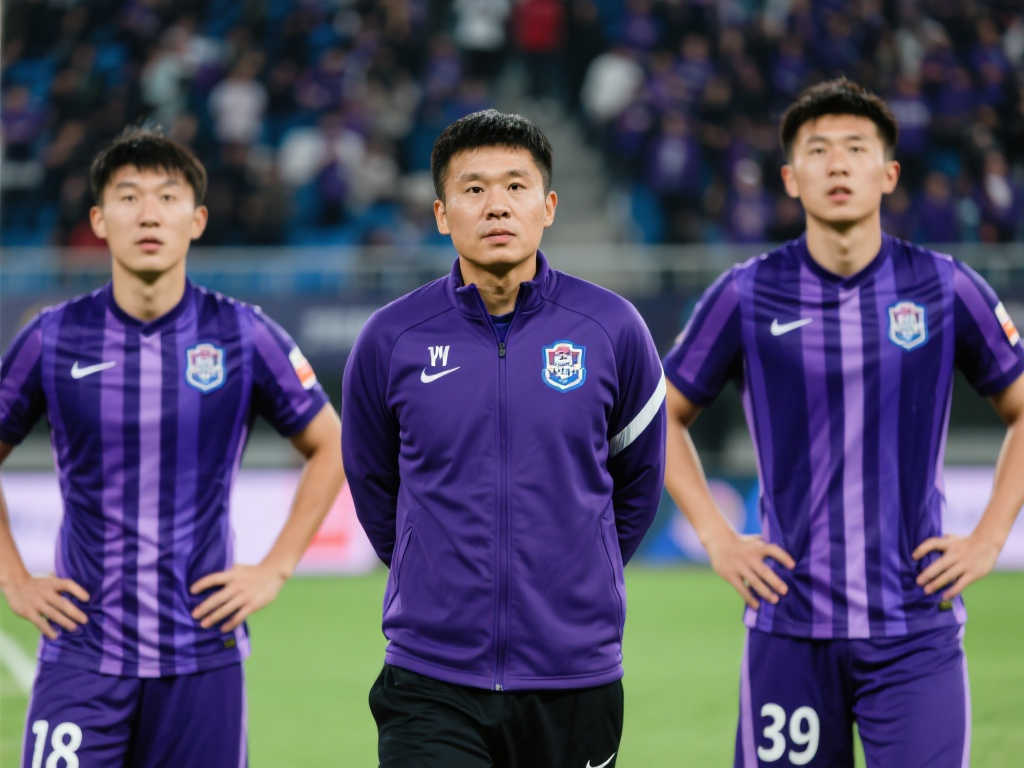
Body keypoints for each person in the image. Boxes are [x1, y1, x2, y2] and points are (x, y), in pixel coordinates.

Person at [662, 76, 1024, 767]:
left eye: (856, 148)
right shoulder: (745, 293)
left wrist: (989, 539)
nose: (837, 164)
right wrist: (716, 537)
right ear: (790, 179)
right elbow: (661, 416)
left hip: (914, 629)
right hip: (789, 628)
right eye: (817, 150)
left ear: (888, 174)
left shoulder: (946, 287)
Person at [0, 127, 344, 767]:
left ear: (197, 220)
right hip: (82, 653)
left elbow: (333, 444)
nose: (149, 214)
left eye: (168, 196)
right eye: (129, 197)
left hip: (201, 657)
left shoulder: (243, 334)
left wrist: (275, 568)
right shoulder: (52, 337)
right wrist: (13, 579)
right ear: (99, 221)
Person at [342, 109, 666, 768]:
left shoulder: (613, 329)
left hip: (574, 674)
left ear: (548, 207)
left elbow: (638, 483)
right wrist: (430, 574)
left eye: (516, 186)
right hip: (431, 676)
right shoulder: (390, 338)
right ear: (441, 214)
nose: (496, 205)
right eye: (474, 188)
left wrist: (578, 573)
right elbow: (373, 484)